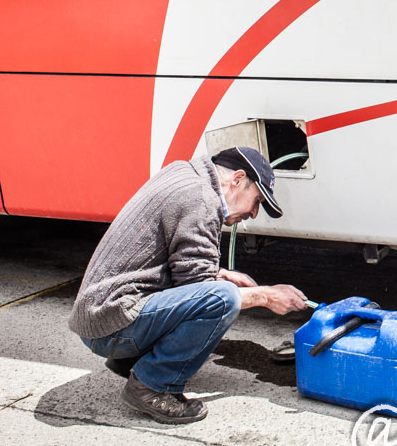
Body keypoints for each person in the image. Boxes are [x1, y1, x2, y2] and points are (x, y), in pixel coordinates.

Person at [69, 146, 309, 424]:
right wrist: (265, 296)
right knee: (224, 299)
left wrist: (218, 273)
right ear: (238, 179)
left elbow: (173, 260)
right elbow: (200, 292)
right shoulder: (202, 199)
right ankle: (152, 385)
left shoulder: (184, 174)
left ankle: (132, 360)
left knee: (221, 289)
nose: (254, 213)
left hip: (101, 318)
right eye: (257, 201)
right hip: (111, 325)